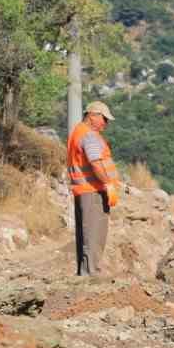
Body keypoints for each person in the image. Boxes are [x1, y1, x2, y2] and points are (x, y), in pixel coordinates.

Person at [66, 100, 121, 276]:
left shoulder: (78, 132)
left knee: (87, 235)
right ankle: (91, 277)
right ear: (92, 115)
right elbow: (96, 163)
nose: (106, 123)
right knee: (94, 236)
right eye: (104, 119)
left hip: (86, 191)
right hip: (93, 191)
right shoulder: (88, 135)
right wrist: (108, 184)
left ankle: (85, 274)